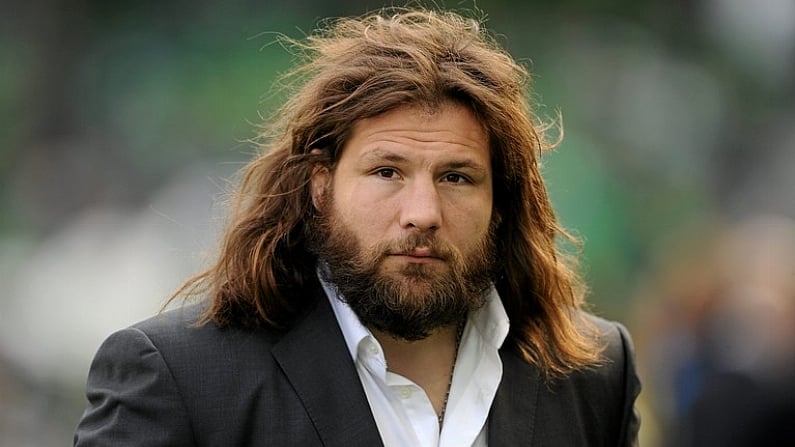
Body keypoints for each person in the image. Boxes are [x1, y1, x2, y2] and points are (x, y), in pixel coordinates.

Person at [74, 7, 640, 446]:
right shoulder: (177, 377)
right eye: (387, 171)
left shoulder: (592, 372)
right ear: (321, 186)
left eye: (458, 178)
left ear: (502, 200)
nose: (422, 212)